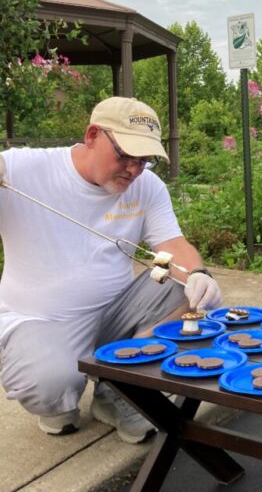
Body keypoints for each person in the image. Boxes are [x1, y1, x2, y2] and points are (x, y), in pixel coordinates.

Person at [0, 96, 222, 443]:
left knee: (185, 289)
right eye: (125, 155)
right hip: (40, 321)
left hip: (116, 315)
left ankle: (117, 392)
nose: (134, 169)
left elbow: (172, 246)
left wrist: (198, 274)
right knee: (51, 384)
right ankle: (58, 404)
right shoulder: (17, 170)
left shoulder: (146, 185)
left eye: (144, 159)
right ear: (92, 136)